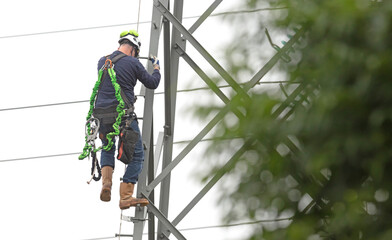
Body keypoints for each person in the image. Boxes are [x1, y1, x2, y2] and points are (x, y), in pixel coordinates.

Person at [95, 30, 160, 209]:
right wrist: (156, 68)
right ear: (133, 49)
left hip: (101, 115)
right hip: (123, 115)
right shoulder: (133, 63)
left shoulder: (103, 61)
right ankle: (125, 196)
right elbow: (152, 83)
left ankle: (106, 184)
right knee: (137, 154)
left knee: (107, 146)